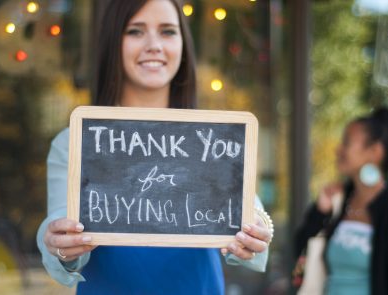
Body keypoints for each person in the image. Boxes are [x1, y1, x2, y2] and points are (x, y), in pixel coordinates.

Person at [36, 1, 273, 294]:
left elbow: (248, 214)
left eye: (168, 32)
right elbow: (59, 233)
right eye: (135, 31)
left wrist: (258, 231)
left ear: (183, 46)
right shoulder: (75, 141)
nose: (154, 45)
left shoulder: (211, 138)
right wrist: (60, 244)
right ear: (113, 42)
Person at [294, 108, 388, 295]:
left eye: (346, 142)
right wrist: (320, 212)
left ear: (374, 151)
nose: (338, 149)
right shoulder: (338, 201)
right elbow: (300, 250)